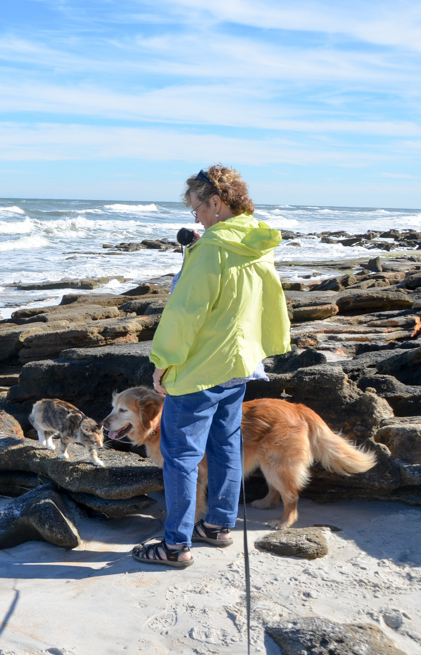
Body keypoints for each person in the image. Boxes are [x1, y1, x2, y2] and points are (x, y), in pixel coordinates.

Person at [131, 164, 291, 568]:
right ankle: (218, 525)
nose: (195, 217)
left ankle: (174, 546)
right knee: (224, 445)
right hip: (241, 363)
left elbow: (186, 313)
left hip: (202, 368)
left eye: (197, 208)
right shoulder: (255, 245)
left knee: (181, 455)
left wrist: (163, 362)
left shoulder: (213, 250)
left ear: (217, 203)